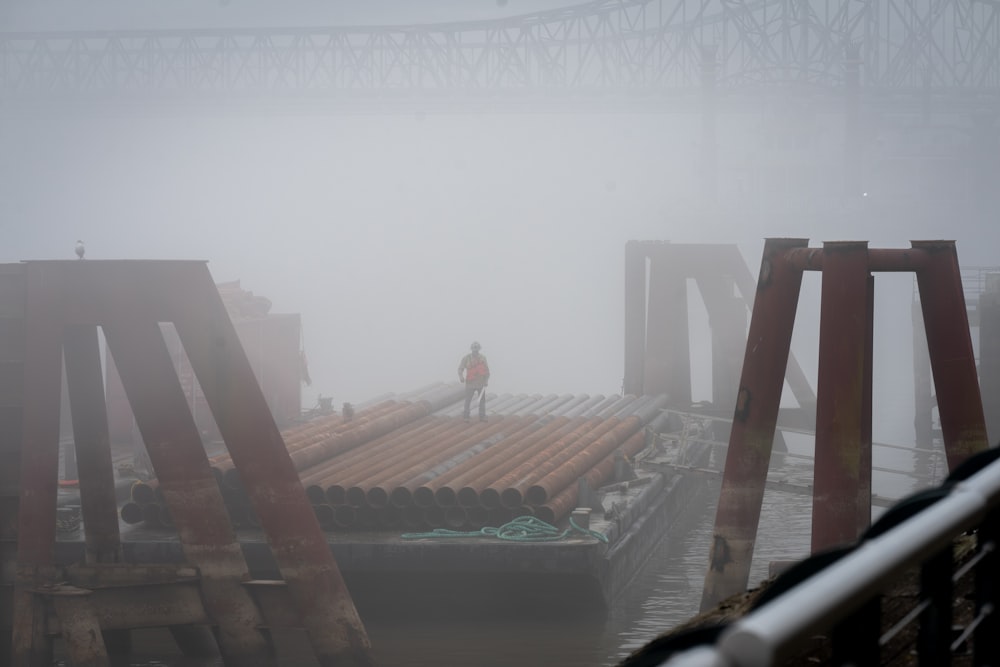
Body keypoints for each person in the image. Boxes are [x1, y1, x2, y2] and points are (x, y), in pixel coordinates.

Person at [458, 341, 490, 422]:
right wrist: (461, 377)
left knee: (482, 401)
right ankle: (466, 416)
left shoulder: (483, 358)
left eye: (477, 348)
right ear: (471, 349)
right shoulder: (466, 358)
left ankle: (482, 416)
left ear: (479, 349)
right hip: (470, 383)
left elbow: (487, 371)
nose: (475, 350)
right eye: (474, 348)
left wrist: (486, 381)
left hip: (480, 383)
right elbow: (460, 368)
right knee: (468, 400)